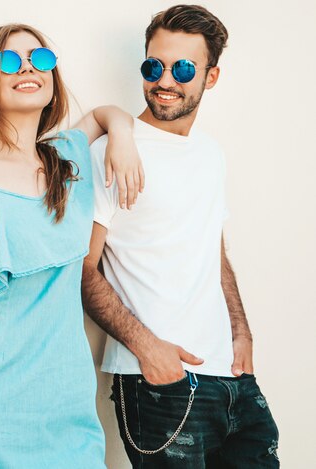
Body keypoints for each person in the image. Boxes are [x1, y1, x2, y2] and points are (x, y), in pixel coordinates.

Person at [0, 24, 143, 468]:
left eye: (40, 58)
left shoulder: (66, 160)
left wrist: (122, 134)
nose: (27, 68)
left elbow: (101, 115)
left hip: (69, 410)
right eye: (9, 60)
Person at [82, 5, 279, 468]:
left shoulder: (211, 153)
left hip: (231, 377)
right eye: (154, 66)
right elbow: (80, 267)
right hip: (160, 385)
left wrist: (241, 332)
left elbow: (213, 249)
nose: (164, 80)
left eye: (183, 68)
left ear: (211, 77)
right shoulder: (110, 153)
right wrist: (149, 350)